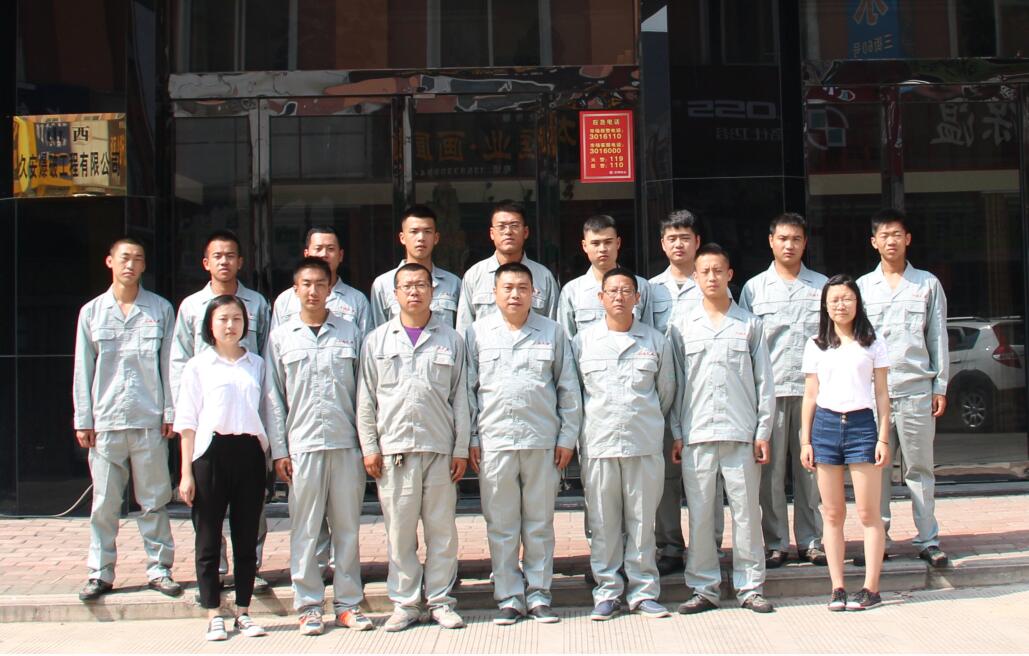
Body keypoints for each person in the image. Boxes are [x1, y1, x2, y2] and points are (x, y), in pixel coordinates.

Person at [465, 262, 582, 626]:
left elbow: (568, 388)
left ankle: (539, 594)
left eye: (522, 288)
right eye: (508, 288)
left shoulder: (552, 332)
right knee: (501, 525)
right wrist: (471, 438)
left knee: (539, 523)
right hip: (495, 442)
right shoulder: (476, 333)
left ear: (534, 293)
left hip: (541, 441)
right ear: (494, 294)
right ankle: (509, 597)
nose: (515, 294)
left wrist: (567, 437)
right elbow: (467, 391)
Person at [357, 263, 470, 632]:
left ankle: (440, 601)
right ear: (395, 294)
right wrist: (370, 446)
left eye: (421, 285)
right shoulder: (377, 341)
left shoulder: (451, 340)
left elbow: (460, 398)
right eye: (406, 286)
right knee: (399, 533)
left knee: (442, 532)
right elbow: (366, 399)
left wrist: (461, 448)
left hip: (439, 449)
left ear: (432, 291)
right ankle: (405, 603)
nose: (414, 292)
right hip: (395, 450)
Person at [263, 258, 372, 635]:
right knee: (306, 530)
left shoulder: (350, 333)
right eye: (306, 284)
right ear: (295, 290)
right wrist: (280, 450)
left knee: (347, 530)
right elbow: (274, 397)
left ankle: (348, 604)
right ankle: (309, 605)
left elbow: (365, 392)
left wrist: (366, 444)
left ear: (330, 289)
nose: (313, 291)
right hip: (303, 446)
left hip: (346, 445)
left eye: (320, 284)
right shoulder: (281, 337)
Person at [72, 237, 182, 602]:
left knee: (154, 500)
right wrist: (83, 418)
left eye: (137, 259)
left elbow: (169, 364)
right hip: (106, 421)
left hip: (149, 420)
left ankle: (159, 568)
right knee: (104, 503)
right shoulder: (92, 312)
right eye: (124, 258)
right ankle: (100, 572)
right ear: (110, 262)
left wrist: (170, 411)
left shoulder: (160, 309)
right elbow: (83, 368)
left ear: (144, 265)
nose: (130, 265)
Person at [668, 243, 775, 615]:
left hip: (740, 433)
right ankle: (704, 587)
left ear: (730, 275)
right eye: (705, 272)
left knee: (746, 514)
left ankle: (750, 587)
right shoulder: (680, 326)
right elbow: (675, 383)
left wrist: (763, 431)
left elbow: (764, 382)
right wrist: (677, 432)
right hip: (696, 433)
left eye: (718, 271)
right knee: (700, 515)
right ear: (695, 277)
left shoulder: (750, 324)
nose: (711, 277)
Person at [169, 230, 272, 593]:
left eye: (231, 255)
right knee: (209, 517)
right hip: (208, 427)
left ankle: (250, 568)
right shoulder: (190, 307)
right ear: (206, 262)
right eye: (217, 255)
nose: (224, 261)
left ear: (240, 261)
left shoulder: (258, 304)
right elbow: (178, 360)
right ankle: (216, 575)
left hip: (247, 425)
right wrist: (177, 412)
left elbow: (266, 357)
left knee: (250, 514)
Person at [573, 267, 675, 622]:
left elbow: (666, 392)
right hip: (599, 443)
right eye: (612, 291)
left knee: (642, 522)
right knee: (603, 523)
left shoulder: (655, 341)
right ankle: (607, 592)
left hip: (643, 443)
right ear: (600, 298)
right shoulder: (583, 341)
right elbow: (574, 395)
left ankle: (644, 592)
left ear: (638, 297)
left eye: (626, 291)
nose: (619, 297)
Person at [857, 208, 949, 568]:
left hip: (916, 391)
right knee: (875, 470)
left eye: (897, 234)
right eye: (884, 235)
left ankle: (928, 539)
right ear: (873, 242)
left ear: (907, 239)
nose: (891, 241)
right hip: (874, 396)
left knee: (920, 469)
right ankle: (878, 541)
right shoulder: (863, 287)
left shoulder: (927, 284)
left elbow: (937, 336)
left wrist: (940, 385)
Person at [174, 295, 269, 641]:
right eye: (223, 319)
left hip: (249, 452)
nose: (230, 325)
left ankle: (243, 610)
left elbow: (267, 412)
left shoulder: (257, 364)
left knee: (246, 537)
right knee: (208, 537)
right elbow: (187, 422)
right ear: (210, 326)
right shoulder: (198, 366)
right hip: (210, 454)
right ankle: (213, 611)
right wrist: (186, 472)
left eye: (236, 319)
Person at [739, 213, 827, 568]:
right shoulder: (753, 289)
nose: (789, 245)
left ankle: (812, 540)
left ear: (805, 243)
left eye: (796, 239)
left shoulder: (821, 287)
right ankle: (776, 542)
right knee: (770, 475)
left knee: (812, 470)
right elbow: (745, 345)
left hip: (813, 393)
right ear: (771, 241)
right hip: (770, 393)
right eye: (783, 238)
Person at [800, 274, 892, 611]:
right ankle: (837, 587)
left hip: (862, 426)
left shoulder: (873, 342)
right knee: (833, 513)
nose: (841, 305)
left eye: (847, 298)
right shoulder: (816, 344)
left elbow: (882, 394)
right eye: (834, 299)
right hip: (825, 427)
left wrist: (883, 438)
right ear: (825, 305)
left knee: (869, 513)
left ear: (858, 303)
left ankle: (871, 589)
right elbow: (810, 395)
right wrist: (805, 440)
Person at [648, 210, 725, 576]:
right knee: (665, 478)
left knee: (708, 477)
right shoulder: (650, 289)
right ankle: (669, 546)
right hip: (662, 399)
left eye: (684, 237)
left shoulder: (712, 281)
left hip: (703, 396)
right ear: (662, 244)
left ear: (697, 242)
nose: (678, 244)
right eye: (671, 238)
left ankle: (708, 546)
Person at [455, 201, 558, 334]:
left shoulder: (544, 277)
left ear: (525, 232)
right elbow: (464, 329)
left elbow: (554, 330)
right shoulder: (474, 275)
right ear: (492, 233)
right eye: (501, 226)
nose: (508, 232)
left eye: (514, 226)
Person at [556, 214, 652, 337]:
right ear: (585, 246)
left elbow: (649, 336)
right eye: (595, 243)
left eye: (608, 242)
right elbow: (566, 341)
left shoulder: (641, 286)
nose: (602, 249)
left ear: (618, 243)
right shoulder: (572, 291)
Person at [371, 204, 461, 327]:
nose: (421, 238)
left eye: (427, 232)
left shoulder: (453, 283)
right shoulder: (383, 284)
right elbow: (379, 332)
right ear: (402, 238)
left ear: (436, 238)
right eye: (414, 232)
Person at [271, 226, 371, 335]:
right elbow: (275, 341)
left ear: (340, 255)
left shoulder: (357, 300)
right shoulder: (285, 300)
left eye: (330, 249)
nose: (324, 254)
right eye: (318, 249)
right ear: (306, 254)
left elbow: (366, 343)